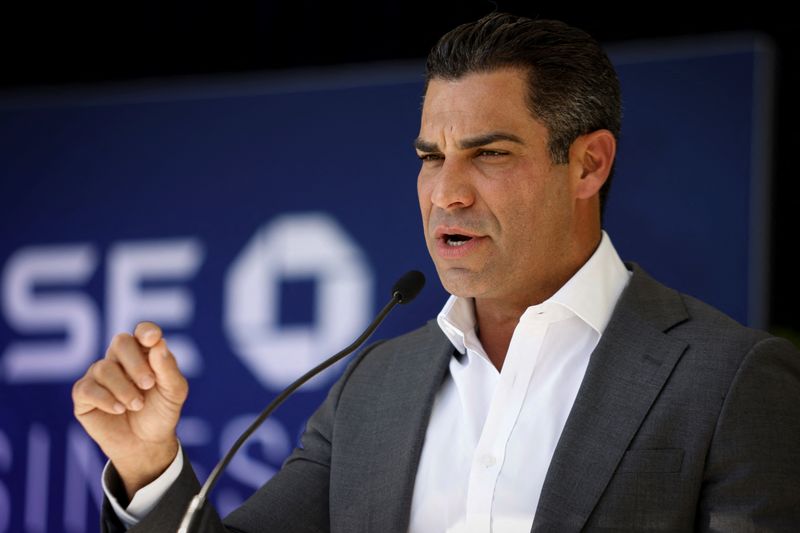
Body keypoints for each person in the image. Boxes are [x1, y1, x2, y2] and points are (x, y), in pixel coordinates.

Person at [72, 12, 800, 532]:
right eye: (430, 156)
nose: (446, 190)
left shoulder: (728, 377)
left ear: (587, 163)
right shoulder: (373, 388)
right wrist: (148, 465)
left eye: (488, 153)